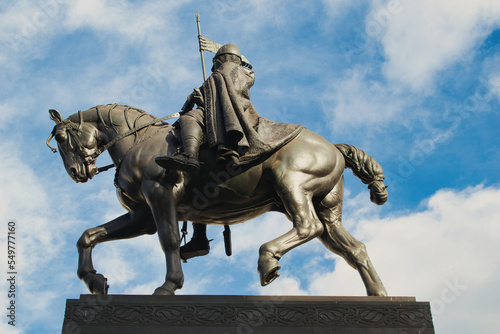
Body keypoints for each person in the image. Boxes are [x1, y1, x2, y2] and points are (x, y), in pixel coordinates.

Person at [156, 43, 303, 260]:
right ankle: (199, 236)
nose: (215, 65)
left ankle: (189, 156)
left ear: (220, 60)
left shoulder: (224, 72)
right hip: (226, 116)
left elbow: (217, 97)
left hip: (225, 118)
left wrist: (197, 98)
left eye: (217, 62)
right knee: (201, 179)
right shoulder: (242, 72)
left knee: (189, 119)